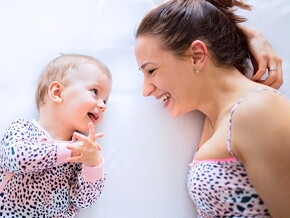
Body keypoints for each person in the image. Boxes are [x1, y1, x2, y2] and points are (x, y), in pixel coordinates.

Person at [135, 0, 290, 217]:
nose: (146, 90)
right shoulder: (214, 118)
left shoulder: (258, 110)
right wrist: (246, 33)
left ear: (197, 56)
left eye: (151, 71)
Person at [0, 54, 111, 217]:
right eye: (95, 91)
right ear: (57, 92)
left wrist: (93, 164)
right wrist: (69, 151)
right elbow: (15, 159)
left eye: (105, 101)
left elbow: (84, 200)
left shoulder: (81, 156)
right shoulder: (23, 129)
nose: (102, 106)